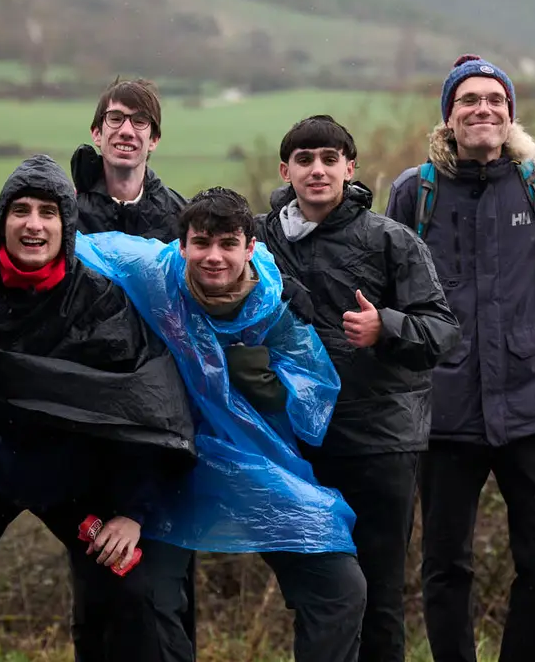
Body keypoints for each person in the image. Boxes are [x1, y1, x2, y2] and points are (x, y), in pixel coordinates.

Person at [0, 155, 199, 662]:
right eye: (20, 211)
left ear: (67, 226)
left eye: (48, 212)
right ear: (1, 225)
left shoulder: (98, 301)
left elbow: (142, 408)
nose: (34, 224)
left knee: (131, 597)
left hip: (71, 476)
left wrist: (132, 513)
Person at [74, 187, 367, 662]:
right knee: (145, 592)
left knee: (340, 584)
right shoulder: (155, 273)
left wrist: (268, 385)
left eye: (228, 243)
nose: (213, 257)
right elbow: (69, 243)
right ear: (182, 244)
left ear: (250, 247)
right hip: (170, 463)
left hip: (252, 461)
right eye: (201, 243)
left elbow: (314, 394)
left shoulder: (274, 305)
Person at [385, 54, 535, 662]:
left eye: (495, 100)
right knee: (446, 565)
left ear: (510, 115)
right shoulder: (412, 192)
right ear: (449, 117)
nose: (484, 109)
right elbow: (388, 309)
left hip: (533, 408)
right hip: (443, 415)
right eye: (469, 100)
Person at [255, 114, 461, 662]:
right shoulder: (258, 238)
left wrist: (385, 327)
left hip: (379, 444)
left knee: (379, 596)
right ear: (286, 170)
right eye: (304, 160)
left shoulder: (391, 240)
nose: (317, 170)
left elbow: (442, 330)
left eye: (329, 159)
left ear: (350, 168)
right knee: (319, 596)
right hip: (296, 446)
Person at [71, 76, 187, 241]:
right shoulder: (66, 213)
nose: (126, 131)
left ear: (153, 140)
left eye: (139, 121)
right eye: (116, 119)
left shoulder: (183, 218)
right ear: (97, 133)